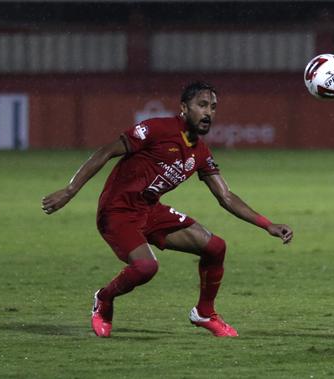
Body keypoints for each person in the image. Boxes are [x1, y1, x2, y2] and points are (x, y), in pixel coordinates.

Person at [42, 81, 293, 338]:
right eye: (202, 105)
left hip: (150, 211)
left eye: (214, 107)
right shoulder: (157, 129)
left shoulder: (201, 152)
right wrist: (69, 191)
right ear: (184, 108)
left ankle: (204, 313)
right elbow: (106, 151)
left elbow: (226, 196)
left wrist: (267, 225)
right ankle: (104, 299)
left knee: (216, 247)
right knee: (145, 267)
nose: (208, 113)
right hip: (117, 212)